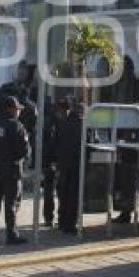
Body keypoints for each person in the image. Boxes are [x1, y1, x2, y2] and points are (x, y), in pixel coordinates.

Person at [0, 96, 30, 245]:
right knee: (11, 203)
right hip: (11, 170)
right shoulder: (16, 126)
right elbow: (24, 151)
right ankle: (11, 234)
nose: (18, 112)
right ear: (10, 109)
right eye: (17, 109)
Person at [55, 102, 83, 234]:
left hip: (66, 165)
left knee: (65, 195)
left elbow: (56, 143)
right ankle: (68, 224)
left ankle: (63, 222)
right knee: (70, 195)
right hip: (74, 165)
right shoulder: (80, 124)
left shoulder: (64, 124)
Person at [42, 98, 69, 227]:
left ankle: (52, 218)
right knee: (56, 191)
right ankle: (55, 218)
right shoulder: (56, 123)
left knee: (54, 191)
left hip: (52, 161)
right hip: (54, 161)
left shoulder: (49, 121)